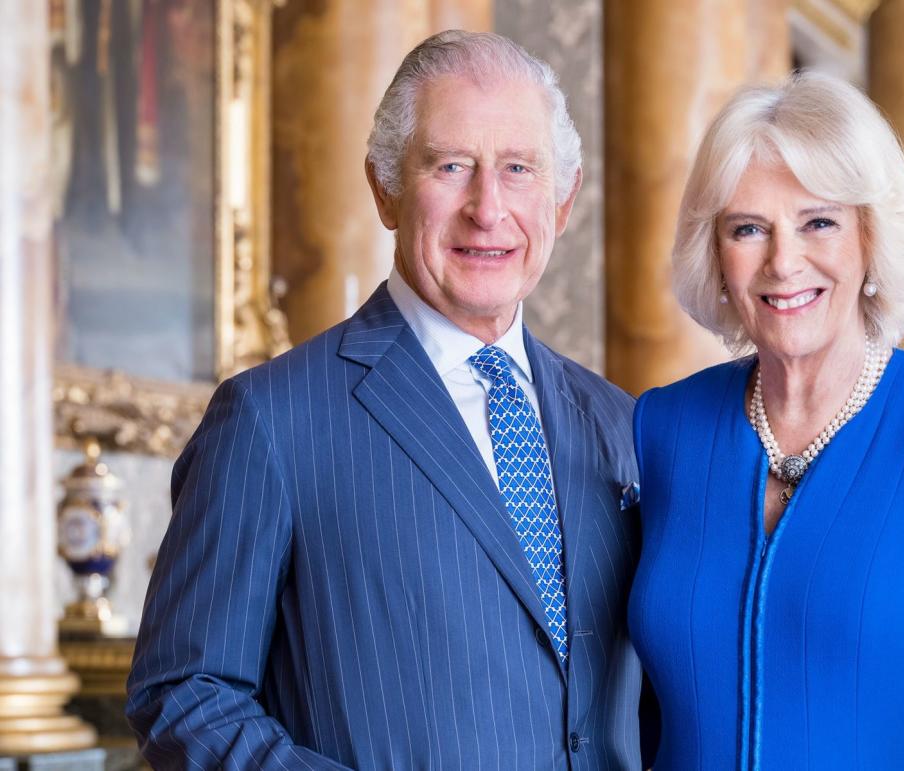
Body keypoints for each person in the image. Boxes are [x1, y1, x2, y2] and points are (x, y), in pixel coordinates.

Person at [127, 30, 646, 769]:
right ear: (385, 188)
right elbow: (181, 690)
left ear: (562, 200)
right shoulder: (271, 420)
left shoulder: (619, 424)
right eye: (450, 165)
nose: (487, 207)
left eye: (518, 168)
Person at [628, 71, 904, 769]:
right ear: (717, 254)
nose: (783, 261)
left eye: (817, 221)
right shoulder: (662, 429)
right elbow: (626, 715)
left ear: (869, 237)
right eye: (747, 229)